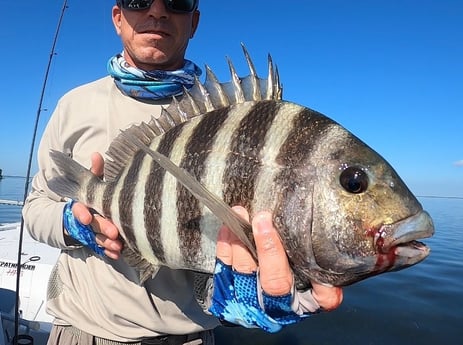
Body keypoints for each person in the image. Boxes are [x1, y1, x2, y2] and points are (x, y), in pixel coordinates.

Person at [22, 1, 343, 344]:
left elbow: (220, 251)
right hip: (84, 330)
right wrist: (73, 225)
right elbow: (36, 209)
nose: (157, 12)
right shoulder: (74, 105)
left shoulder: (237, 115)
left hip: (192, 337)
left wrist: (270, 291)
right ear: (118, 17)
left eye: (177, 2)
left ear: (194, 22)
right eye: (138, 0)